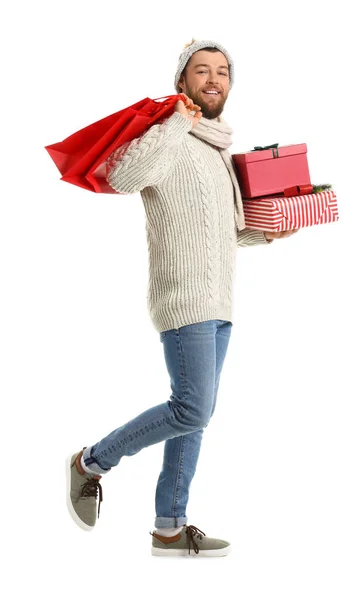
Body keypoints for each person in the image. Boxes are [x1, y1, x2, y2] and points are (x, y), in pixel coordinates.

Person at [66, 38, 297, 558]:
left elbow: (224, 231)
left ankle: (170, 526)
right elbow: (124, 176)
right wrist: (176, 121)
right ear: (182, 82)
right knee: (191, 408)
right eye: (201, 70)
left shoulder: (219, 152)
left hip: (221, 305)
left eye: (222, 72)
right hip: (182, 299)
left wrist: (266, 233)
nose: (213, 78)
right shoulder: (166, 136)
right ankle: (90, 463)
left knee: (195, 414)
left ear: (230, 86)